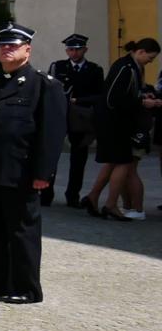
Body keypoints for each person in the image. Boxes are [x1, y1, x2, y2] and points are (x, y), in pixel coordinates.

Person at [0, 23, 65, 303]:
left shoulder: (44, 85)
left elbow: (51, 134)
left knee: (22, 231)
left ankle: (26, 288)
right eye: (2, 45)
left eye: (13, 45)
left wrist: (43, 173)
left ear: (27, 50)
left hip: (21, 172)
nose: (6, 50)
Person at [88, 38, 161, 221]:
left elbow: (127, 94)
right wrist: (143, 102)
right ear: (141, 52)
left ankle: (93, 197)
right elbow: (113, 99)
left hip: (118, 122)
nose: (150, 62)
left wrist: (143, 95)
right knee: (123, 162)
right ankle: (111, 204)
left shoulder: (133, 67)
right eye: (150, 58)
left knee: (113, 162)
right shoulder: (125, 67)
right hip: (114, 123)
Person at [46, 34, 104, 208]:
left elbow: (99, 95)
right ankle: (46, 194)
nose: (74, 53)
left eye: (78, 49)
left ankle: (73, 195)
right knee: (51, 155)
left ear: (85, 49)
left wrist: (79, 101)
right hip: (60, 114)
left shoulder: (94, 69)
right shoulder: (58, 66)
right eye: (71, 49)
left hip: (80, 116)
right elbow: (49, 90)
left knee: (79, 158)